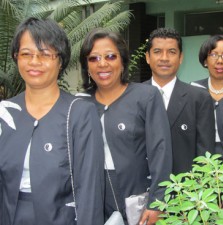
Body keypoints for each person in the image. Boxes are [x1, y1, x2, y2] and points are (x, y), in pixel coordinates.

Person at [0, 17, 105, 225]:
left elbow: (90, 189)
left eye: (45, 54)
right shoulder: (5, 112)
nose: (34, 62)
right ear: (16, 57)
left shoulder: (79, 113)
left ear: (60, 60)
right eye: (26, 54)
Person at [78, 28, 172, 225]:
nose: (102, 64)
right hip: (93, 198)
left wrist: (157, 203)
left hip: (136, 197)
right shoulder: (80, 104)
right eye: (93, 58)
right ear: (86, 66)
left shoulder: (146, 96)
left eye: (110, 56)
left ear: (122, 61)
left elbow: (160, 152)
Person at [144, 28, 215, 175]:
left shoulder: (199, 98)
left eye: (172, 52)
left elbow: (205, 152)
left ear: (181, 57)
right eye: (157, 52)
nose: (164, 58)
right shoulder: (133, 96)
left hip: (184, 191)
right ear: (147, 57)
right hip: (140, 191)